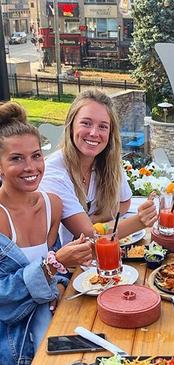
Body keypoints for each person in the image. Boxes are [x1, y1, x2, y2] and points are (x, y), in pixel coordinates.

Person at [0, 101, 93, 365]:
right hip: (13, 341)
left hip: (56, 321)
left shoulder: (53, 204)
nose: (31, 167)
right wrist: (55, 266)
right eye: (17, 158)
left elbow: (56, 269)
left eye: (36, 155)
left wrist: (60, 281)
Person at [40, 89, 157, 246]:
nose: (94, 133)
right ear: (71, 125)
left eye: (103, 126)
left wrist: (94, 220)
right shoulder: (54, 173)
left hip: (97, 255)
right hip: (65, 266)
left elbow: (124, 203)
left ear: (110, 133)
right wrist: (139, 221)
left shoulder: (108, 161)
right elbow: (88, 235)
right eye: (86, 123)